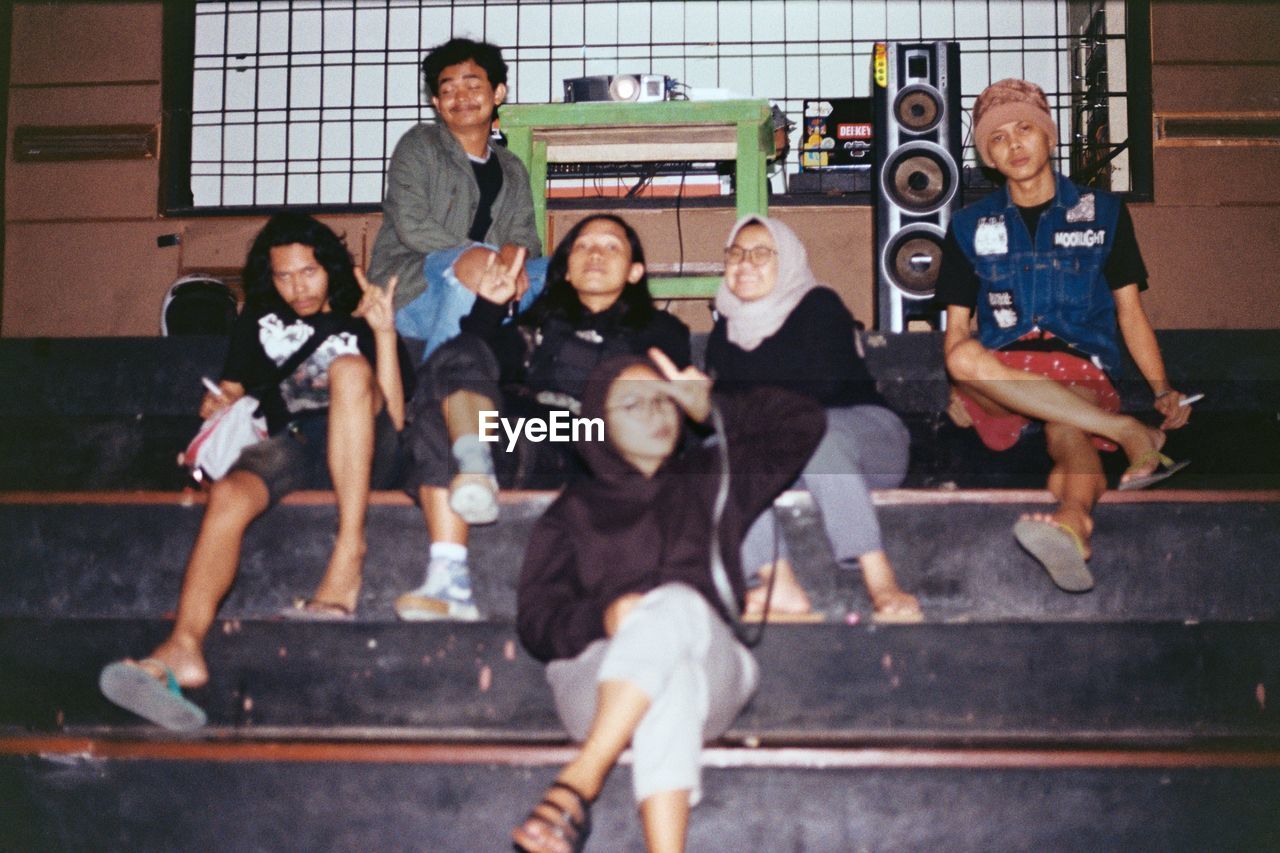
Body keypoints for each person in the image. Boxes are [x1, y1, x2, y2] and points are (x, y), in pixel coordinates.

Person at [99, 213, 412, 730]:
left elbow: (397, 419)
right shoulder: (258, 324)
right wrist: (216, 402)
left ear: (329, 268)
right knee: (230, 494)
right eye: (284, 276)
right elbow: (234, 391)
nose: (297, 286)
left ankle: (348, 552)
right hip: (292, 440)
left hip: (366, 443)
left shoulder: (363, 319)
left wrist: (383, 333)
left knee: (348, 368)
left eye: (308, 273)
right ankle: (182, 647)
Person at [512, 350, 825, 853]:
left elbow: (803, 421)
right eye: (634, 404)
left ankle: (579, 782)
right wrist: (602, 616)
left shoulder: (711, 476)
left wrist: (711, 406)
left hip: (715, 669)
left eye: (664, 401)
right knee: (670, 679)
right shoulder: (572, 511)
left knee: (676, 603)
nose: (656, 413)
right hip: (594, 676)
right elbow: (536, 620)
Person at [936, 78, 1191, 593]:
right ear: (988, 156)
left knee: (1066, 431)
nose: (1014, 144)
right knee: (964, 358)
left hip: (1077, 366)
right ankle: (1127, 433)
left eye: (1024, 129)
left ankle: (1074, 524)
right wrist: (959, 389)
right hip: (1002, 371)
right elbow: (957, 329)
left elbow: (1130, 313)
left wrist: (1162, 388)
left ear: (1049, 137)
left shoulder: (1104, 213)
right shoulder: (967, 226)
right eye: (998, 138)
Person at [394, 214, 690, 621]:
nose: (595, 254)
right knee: (450, 367)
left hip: (591, 448)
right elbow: (462, 365)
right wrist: (488, 308)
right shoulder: (537, 324)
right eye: (584, 246)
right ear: (566, 270)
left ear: (635, 272)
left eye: (611, 247)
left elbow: (658, 419)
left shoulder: (660, 331)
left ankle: (457, 545)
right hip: (520, 441)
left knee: (453, 417)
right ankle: (452, 568)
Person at [707, 215, 922, 622]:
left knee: (812, 432)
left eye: (760, 253)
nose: (744, 263)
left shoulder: (818, 305)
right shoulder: (725, 334)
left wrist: (729, 409)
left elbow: (815, 392)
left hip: (863, 439)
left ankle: (881, 579)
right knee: (716, 454)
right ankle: (776, 584)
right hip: (786, 459)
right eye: (735, 253)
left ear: (787, 259)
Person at [368, 37, 547, 361]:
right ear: (436, 101)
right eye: (448, 90)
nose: (460, 97)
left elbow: (525, 235)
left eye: (472, 86)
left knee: (563, 271)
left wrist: (512, 254)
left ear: (498, 93)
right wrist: (488, 256)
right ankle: (440, 389)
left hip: (491, 279)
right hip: (412, 288)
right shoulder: (419, 146)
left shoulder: (512, 167)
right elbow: (412, 226)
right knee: (479, 267)